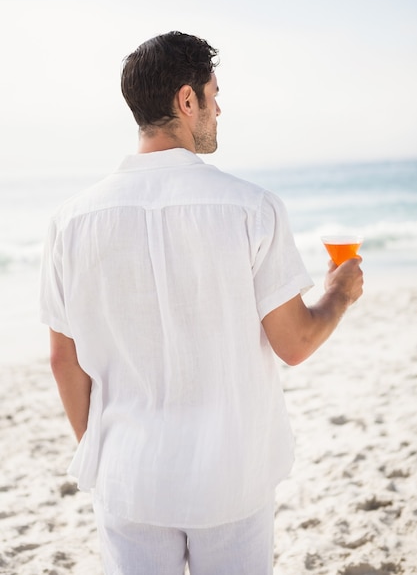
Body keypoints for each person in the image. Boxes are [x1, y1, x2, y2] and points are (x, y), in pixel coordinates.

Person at [40, 31, 363, 575]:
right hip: (230, 476)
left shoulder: (70, 221)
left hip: (130, 477)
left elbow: (62, 359)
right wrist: (338, 293)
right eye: (214, 93)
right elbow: (295, 343)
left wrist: (107, 452)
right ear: (187, 101)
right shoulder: (250, 207)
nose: (220, 107)